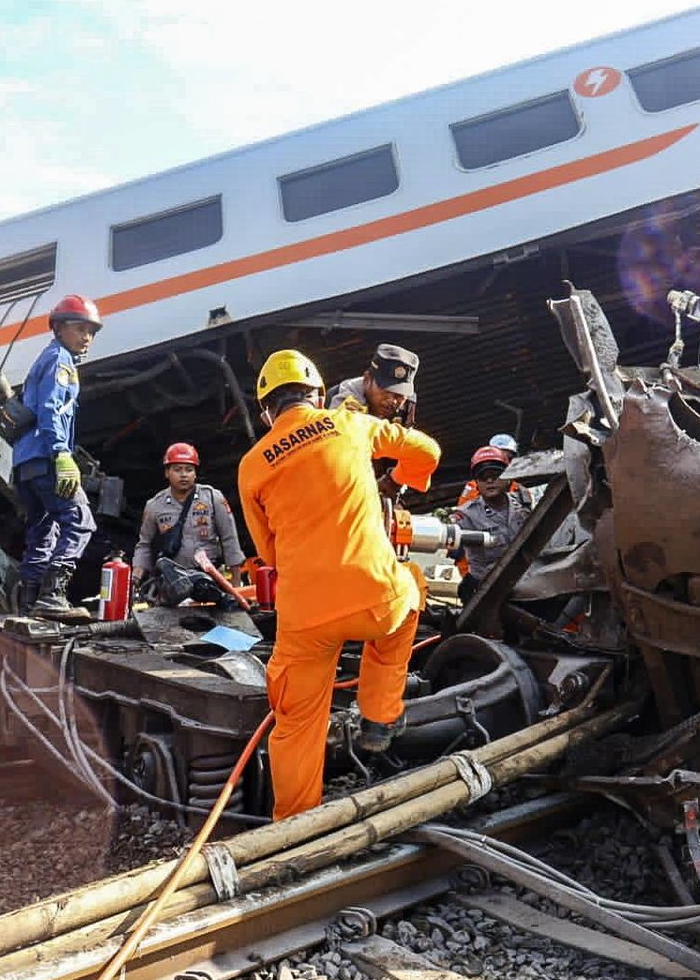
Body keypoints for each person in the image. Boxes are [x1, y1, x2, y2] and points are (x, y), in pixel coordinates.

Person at [238, 349, 440, 820]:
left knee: (295, 725)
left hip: (304, 619)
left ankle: (291, 827)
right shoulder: (350, 425)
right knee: (410, 588)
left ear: (266, 411)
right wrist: (397, 481)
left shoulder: (252, 465)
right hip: (376, 598)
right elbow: (428, 451)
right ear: (318, 395)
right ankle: (379, 715)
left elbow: (268, 554)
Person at [12, 295, 103, 621]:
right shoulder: (59, 359)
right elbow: (51, 409)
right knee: (80, 522)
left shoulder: (47, 357)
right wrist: (62, 454)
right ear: (60, 328)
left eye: (92, 332)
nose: (87, 338)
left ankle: (29, 605)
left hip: (26, 464)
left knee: (43, 532)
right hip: (46, 456)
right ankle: (53, 596)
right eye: (80, 329)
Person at [132, 442, 247, 587]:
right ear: (167, 472)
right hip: (174, 581)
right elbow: (144, 545)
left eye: (189, 469)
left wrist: (235, 583)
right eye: (177, 469)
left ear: (195, 473)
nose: (184, 475)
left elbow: (229, 539)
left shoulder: (212, 498)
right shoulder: (155, 505)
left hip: (211, 578)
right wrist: (136, 576)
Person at [450, 446, 533, 603]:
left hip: (524, 582)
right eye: (483, 476)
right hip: (485, 588)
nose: (489, 480)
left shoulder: (523, 506)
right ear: (476, 483)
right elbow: (451, 542)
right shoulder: (466, 515)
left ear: (507, 477)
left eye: (495, 475)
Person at [326, 344, 419, 425]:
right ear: (367, 379)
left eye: (399, 395)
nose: (393, 401)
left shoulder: (407, 404)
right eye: (386, 391)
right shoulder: (341, 399)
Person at [456, 433, 533, 508]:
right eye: (498, 460)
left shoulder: (521, 492)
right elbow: (462, 514)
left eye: (509, 458)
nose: (506, 463)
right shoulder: (472, 488)